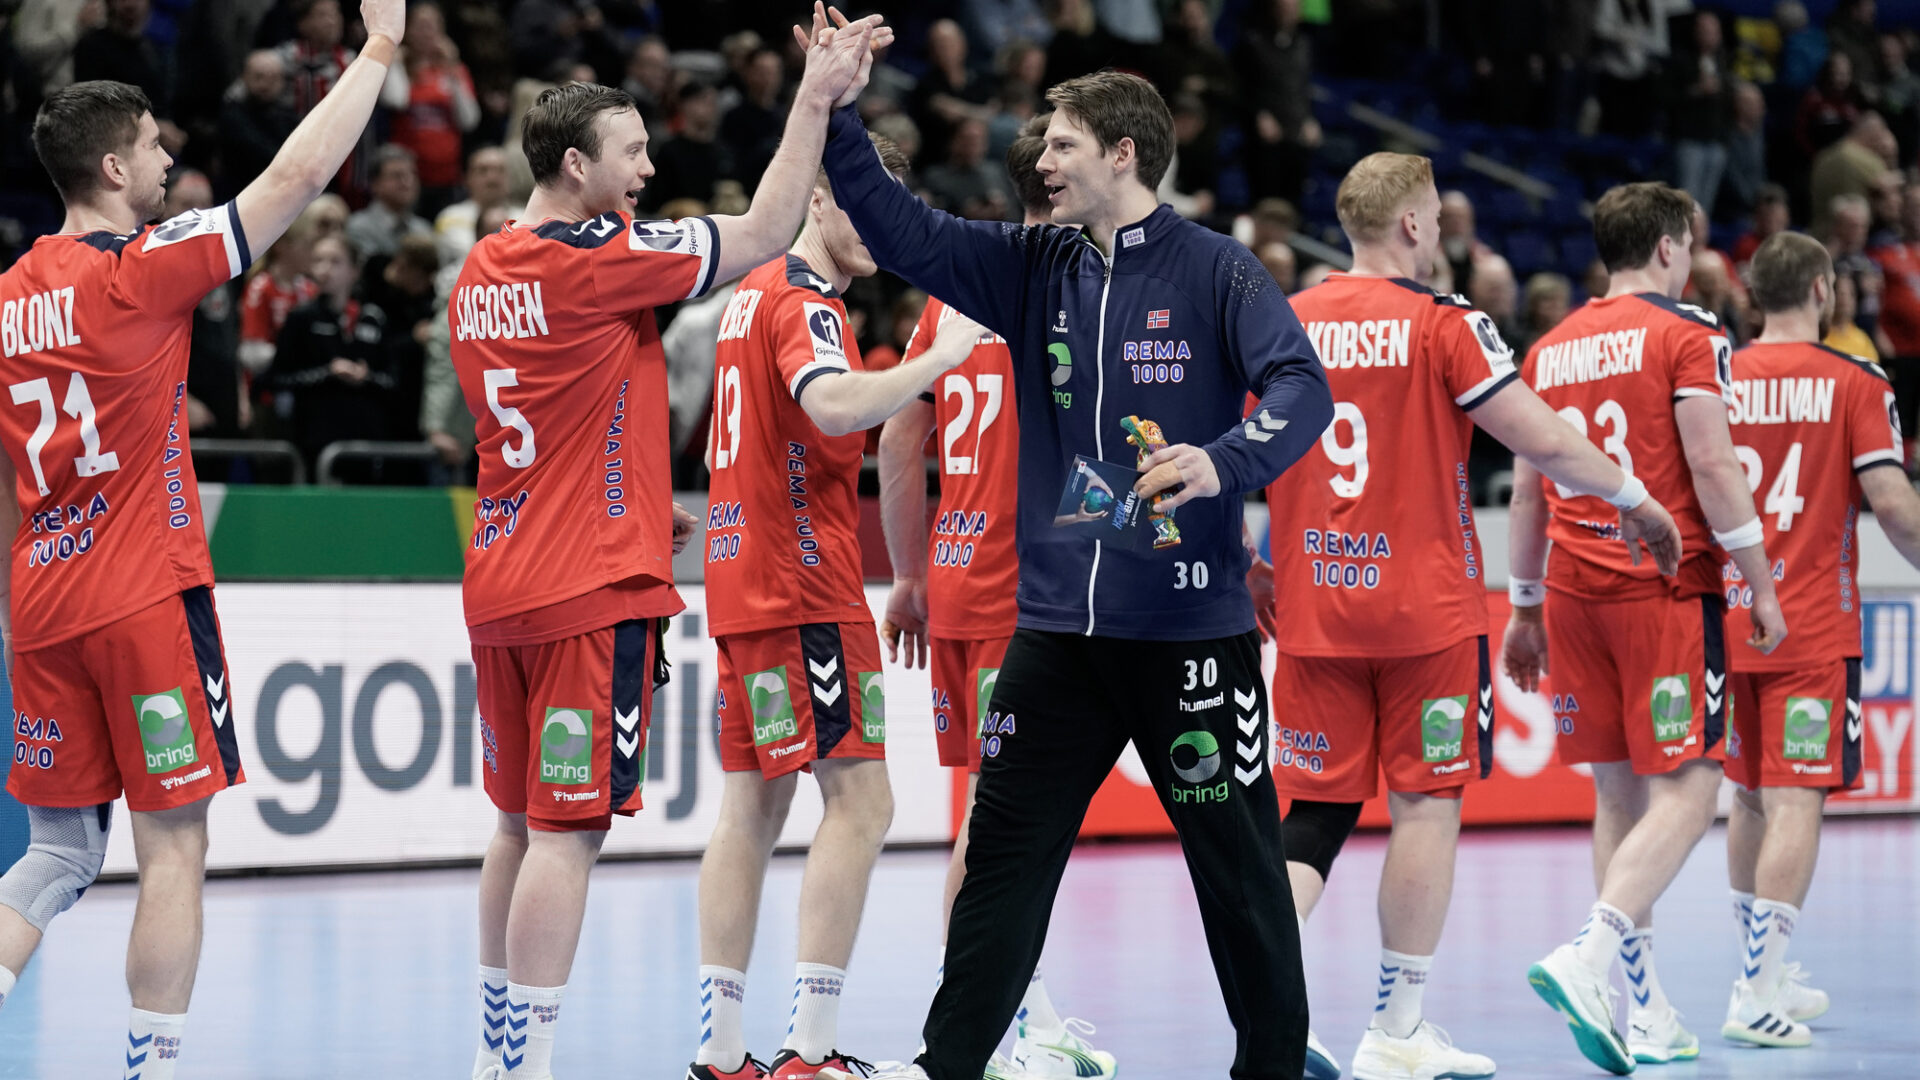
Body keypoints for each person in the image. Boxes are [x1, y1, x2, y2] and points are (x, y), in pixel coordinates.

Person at [812, 42, 1334, 1080]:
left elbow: (1300, 390)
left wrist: (1223, 461)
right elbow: (899, 228)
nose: (1040, 158)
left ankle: (1268, 1068)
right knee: (1004, 857)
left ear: (1123, 153)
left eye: (1061, 143)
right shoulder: (1030, 266)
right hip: (1055, 633)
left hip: (1188, 633)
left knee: (1238, 874)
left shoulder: (1218, 268)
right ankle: (946, 1064)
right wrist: (834, 110)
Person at [446, 13, 890, 1080]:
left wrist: (646, 502)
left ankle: (493, 1052)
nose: (650, 167)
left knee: (512, 826)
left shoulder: (477, 272)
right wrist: (815, 95)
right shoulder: (594, 262)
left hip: (503, 574)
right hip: (588, 591)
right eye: (633, 152)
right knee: (566, 835)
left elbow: (543, 421)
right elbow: (770, 223)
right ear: (572, 165)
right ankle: (533, 1066)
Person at [0, 0, 407, 1069]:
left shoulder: (7, 299)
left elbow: (6, 472)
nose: (170, 159)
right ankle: (154, 1066)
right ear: (112, 174)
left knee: (53, 858)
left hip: (42, 605)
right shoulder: (140, 267)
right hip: (144, 598)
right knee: (174, 849)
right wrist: (378, 51)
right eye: (152, 147)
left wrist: (13, 604)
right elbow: (295, 182)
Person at [1272, 154, 1684, 1080]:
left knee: (1310, 818)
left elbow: (1247, 454)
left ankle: (1271, 1015)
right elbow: (1535, 435)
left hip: (1313, 607)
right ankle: (1398, 1030)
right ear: (1415, 226)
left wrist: (1253, 565)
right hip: (1423, 611)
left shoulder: (1287, 320)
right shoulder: (1444, 324)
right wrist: (1632, 494)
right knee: (1425, 806)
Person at [692, 132, 972, 1080]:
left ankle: (719, 1049)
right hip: (802, 585)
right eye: (859, 202)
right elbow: (837, 407)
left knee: (751, 808)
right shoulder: (806, 302)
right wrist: (940, 365)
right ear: (818, 202)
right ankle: (810, 1051)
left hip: (738, 586)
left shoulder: (744, 303)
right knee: (862, 800)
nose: (878, 230)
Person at [1504, 182, 1786, 1074]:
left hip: (1574, 593)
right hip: (1666, 590)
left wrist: (1522, 605)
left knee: (1617, 794)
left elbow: (1527, 488)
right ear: (1670, 247)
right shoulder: (1690, 332)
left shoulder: (1548, 347)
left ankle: (1647, 1008)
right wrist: (1761, 584)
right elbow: (1710, 461)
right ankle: (1591, 955)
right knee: (1691, 791)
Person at [875, 114, 1115, 1080]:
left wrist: (904, 574)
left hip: (957, 578)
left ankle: (1023, 1010)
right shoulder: (1070, 289)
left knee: (992, 812)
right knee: (1000, 824)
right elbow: (1098, 459)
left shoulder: (947, 297)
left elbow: (897, 439)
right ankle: (995, 1027)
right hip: (1031, 595)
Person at [1722, 230, 1920, 1049]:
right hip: (1808, 622)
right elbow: (1894, 506)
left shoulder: (1715, 377)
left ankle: (1757, 969)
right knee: (1798, 797)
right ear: (1820, 291)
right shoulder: (1855, 380)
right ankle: (1759, 989)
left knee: (1747, 793)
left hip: (1726, 618)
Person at [346, 145, 434, 260]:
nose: (407, 182)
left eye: (412, 174)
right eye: (397, 176)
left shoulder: (423, 229)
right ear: (375, 184)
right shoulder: (358, 227)